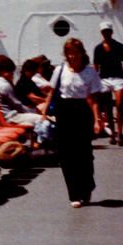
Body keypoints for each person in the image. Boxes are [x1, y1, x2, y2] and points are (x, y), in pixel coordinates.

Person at [45, 38, 103, 208]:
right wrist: (44, 112)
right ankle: (74, 194)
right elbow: (51, 92)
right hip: (64, 111)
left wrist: (97, 120)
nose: (72, 56)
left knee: (84, 154)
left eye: (75, 52)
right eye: (69, 53)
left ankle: (87, 187)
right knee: (66, 155)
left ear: (81, 53)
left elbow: (93, 99)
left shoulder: (90, 72)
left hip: (82, 111)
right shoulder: (60, 70)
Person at [93, 21, 123, 146]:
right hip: (104, 79)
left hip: (118, 78)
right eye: (104, 31)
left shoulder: (120, 46)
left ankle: (120, 133)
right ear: (101, 33)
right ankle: (113, 133)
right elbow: (96, 66)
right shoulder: (98, 48)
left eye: (108, 31)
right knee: (107, 107)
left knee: (119, 104)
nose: (106, 33)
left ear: (111, 32)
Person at [0, 56, 43, 128]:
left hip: (5, 116)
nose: (12, 75)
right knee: (41, 119)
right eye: (10, 73)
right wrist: (32, 111)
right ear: (2, 72)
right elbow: (17, 105)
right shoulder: (5, 86)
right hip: (11, 117)